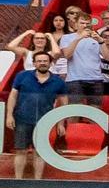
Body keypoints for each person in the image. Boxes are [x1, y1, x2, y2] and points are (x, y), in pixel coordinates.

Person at [5, 50, 66, 178]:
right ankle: (18, 181)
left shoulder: (58, 81)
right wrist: (9, 115)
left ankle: (37, 182)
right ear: (34, 63)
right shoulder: (22, 76)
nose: (42, 63)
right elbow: (13, 96)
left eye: (45, 61)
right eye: (39, 61)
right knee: (21, 151)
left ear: (50, 63)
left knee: (40, 152)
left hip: (45, 122)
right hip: (22, 119)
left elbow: (64, 104)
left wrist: (61, 123)